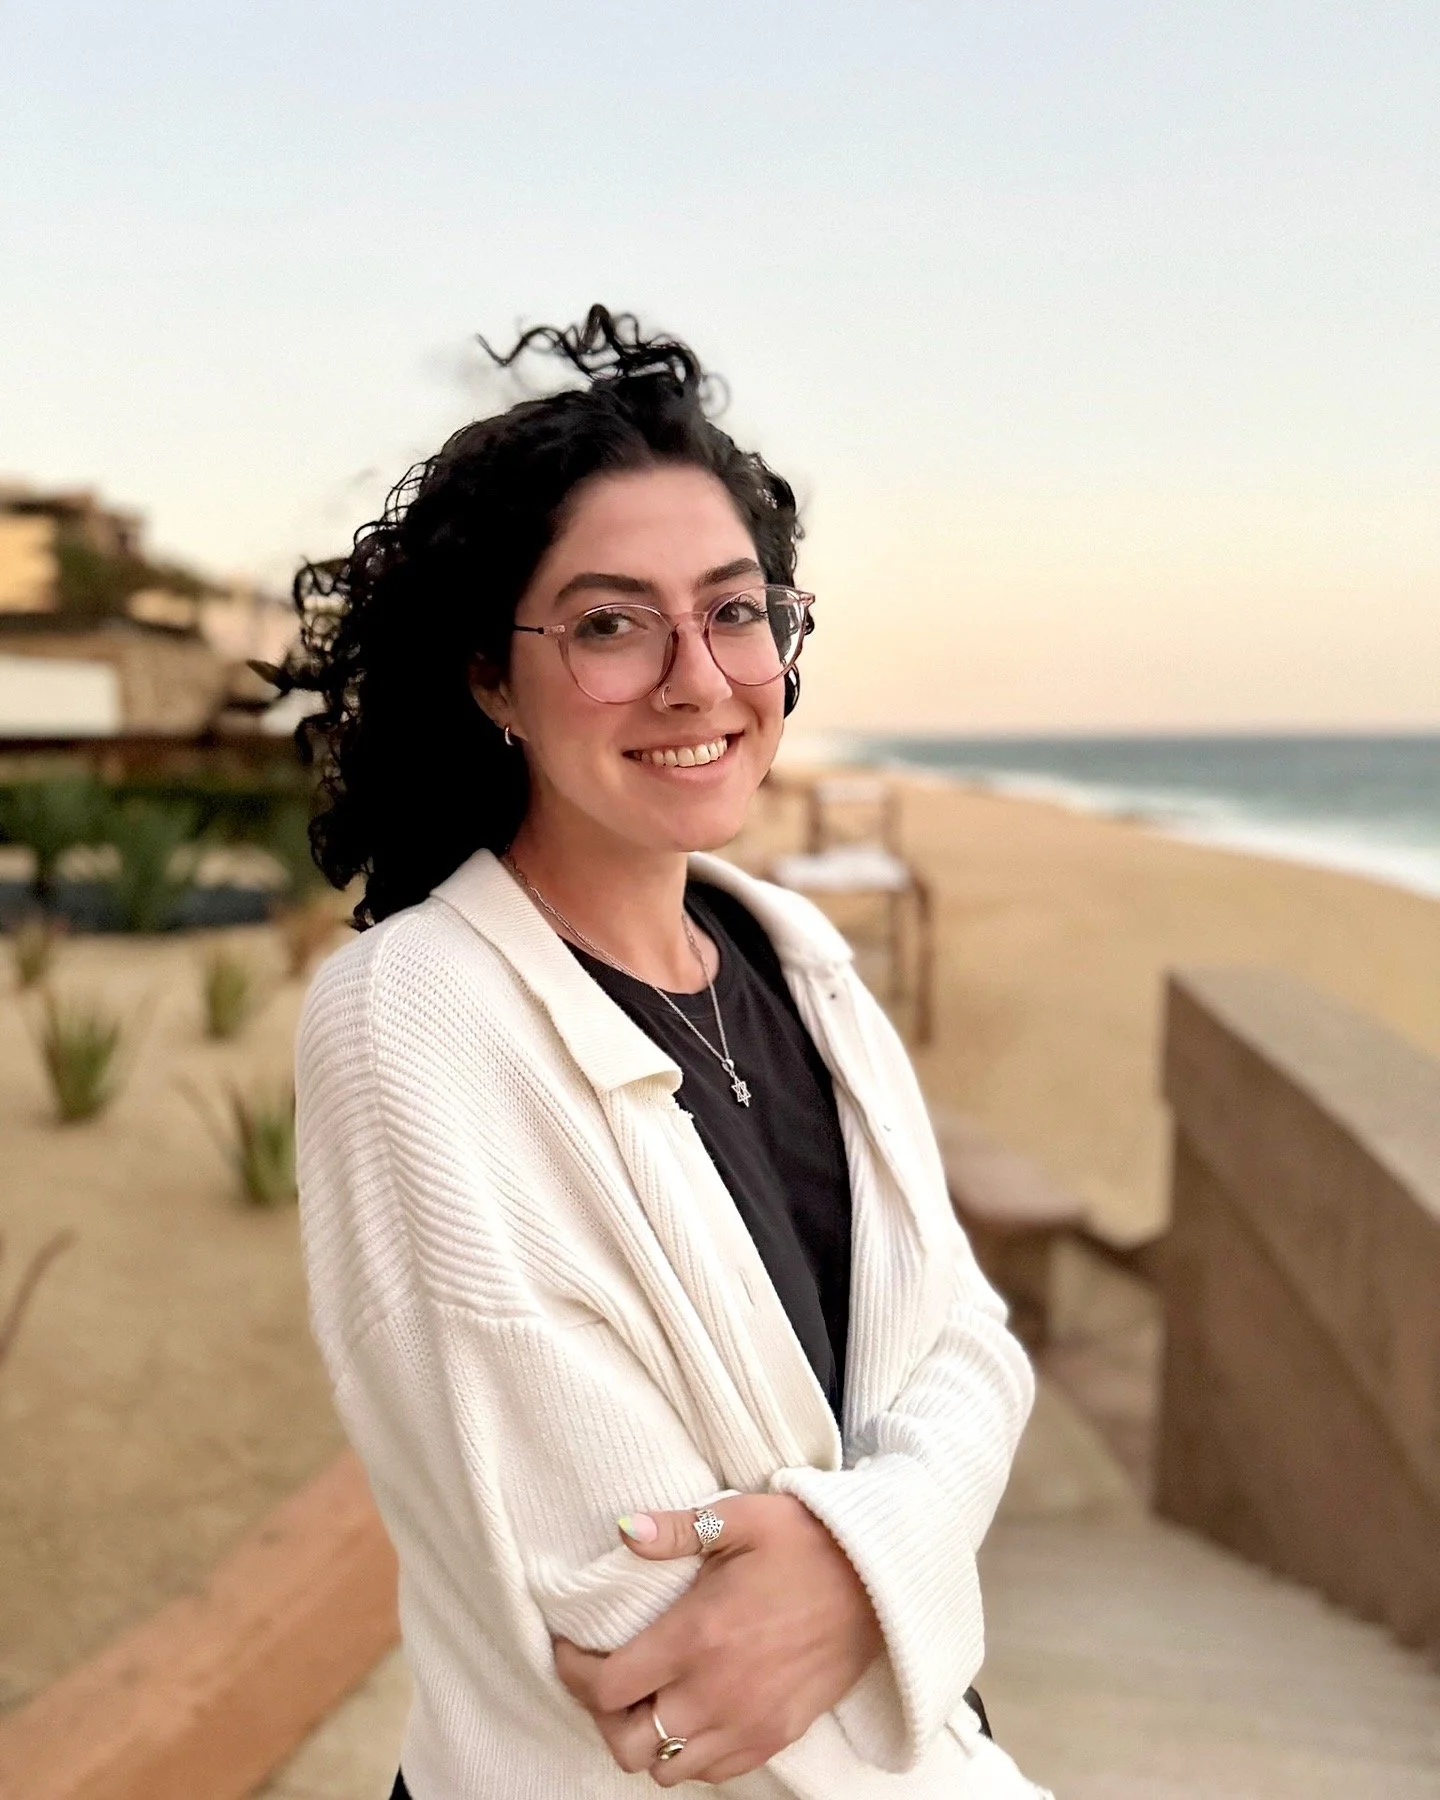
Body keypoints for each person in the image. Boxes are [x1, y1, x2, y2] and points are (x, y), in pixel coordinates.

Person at [286, 306, 1052, 1797]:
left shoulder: (796, 962)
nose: (698, 678)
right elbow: (641, 1630)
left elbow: (972, 1346)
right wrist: (915, 1552)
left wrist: (859, 1569)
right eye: (609, 623)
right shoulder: (412, 1017)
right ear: (489, 678)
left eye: (736, 610)